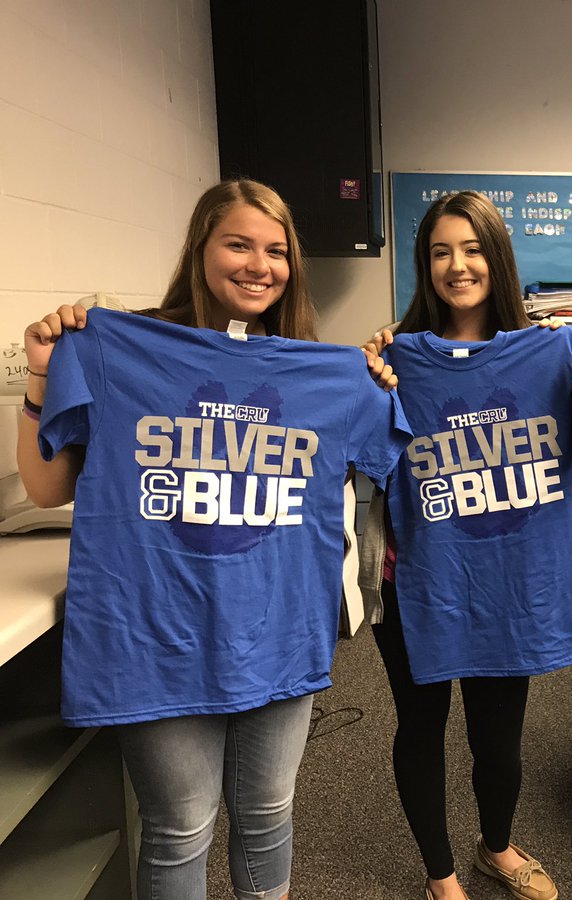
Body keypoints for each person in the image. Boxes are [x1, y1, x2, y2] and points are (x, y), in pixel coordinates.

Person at [17, 178, 406, 900]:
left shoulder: (326, 373)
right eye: (238, 244)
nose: (260, 265)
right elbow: (47, 490)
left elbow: (392, 464)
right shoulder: (114, 346)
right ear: (200, 248)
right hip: (155, 633)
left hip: (279, 629)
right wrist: (43, 371)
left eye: (276, 251)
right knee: (180, 829)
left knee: (267, 818)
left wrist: (375, 379)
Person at [359, 190, 572, 900]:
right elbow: (360, 456)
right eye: (439, 251)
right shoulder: (393, 358)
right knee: (421, 728)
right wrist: (367, 385)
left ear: (498, 257)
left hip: (511, 580)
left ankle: (497, 846)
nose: (457, 266)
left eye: (472, 248)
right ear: (424, 265)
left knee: (499, 738)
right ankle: (441, 877)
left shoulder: (554, 355)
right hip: (418, 579)